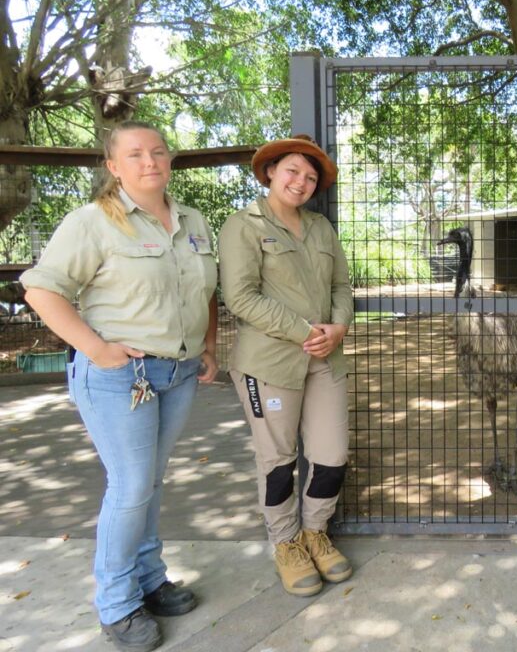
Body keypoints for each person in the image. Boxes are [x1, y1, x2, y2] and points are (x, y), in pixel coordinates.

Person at [21, 121, 218, 652]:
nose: (149, 161)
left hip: (176, 373)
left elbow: (207, 291)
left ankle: (149, 577)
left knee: (150, 481)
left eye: (157, 151)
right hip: (117, 377)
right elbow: (41, 290)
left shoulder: (192, 220)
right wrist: (96, 348)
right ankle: (116, 603)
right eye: (135, 154)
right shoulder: (92, 222)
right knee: (131, 487)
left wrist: (209, 346)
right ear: (113, 167)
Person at [219, 134, 354, 598]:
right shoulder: (243, 225)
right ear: (271, 171)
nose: (301, 181)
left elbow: (341, 285)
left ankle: (315, 532)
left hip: (325, 358)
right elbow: (240, 297)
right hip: (269, 362)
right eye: (293, 170)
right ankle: (286, 543)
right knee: (278, 462)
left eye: (311, 176)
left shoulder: (320, 228)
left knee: (331, 456)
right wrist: (304, 331)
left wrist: (337, 328)